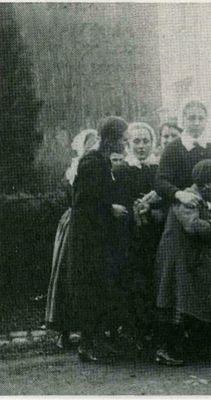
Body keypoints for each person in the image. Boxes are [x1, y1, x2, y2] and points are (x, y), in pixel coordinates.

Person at [154, 160, 211, 366]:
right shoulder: (188, 199)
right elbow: (193, 226)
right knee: (177, 302)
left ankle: (191, 347)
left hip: (194, 259)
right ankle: (165, 349)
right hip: (179, 259)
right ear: (208, 183)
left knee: (194, 301)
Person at [66, 116, 130, 362]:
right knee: (90, 288)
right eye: (123, 137)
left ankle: (98, 340)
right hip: (89, 239)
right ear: (113, 138)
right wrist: (110, 209)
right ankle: (87, 344)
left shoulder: (100, 161)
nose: (126, 142)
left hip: (99, 236)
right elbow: (84, 203)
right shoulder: (93, 163)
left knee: (101, 288)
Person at [45, 129, 98, 350]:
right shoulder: (74, 169)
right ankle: (63, 330)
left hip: (94, 224)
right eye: (89, 146)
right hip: (74, 225)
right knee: (67, 275)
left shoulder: (99, 166)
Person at [112, 122, 164, 345]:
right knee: (134, 280)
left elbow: (165, 197)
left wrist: (151, 208)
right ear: (128, 143)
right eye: (136, 141)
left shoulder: (158, 170)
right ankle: (136, 330)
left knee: (155, 278)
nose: (141, 146)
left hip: (155, 232)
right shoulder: (120, 170)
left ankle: (155, 328)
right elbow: (115, 200)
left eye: (146, 141)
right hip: (129, 233)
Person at [156, 100, 211, 209]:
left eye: (201, 118)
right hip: (182, 210)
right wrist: (179, 194)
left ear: (206, 120)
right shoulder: (173, 147)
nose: (197, 123)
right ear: (183, 121)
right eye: (192, 118)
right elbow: (160, 181)